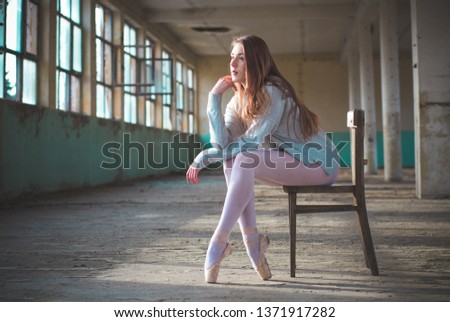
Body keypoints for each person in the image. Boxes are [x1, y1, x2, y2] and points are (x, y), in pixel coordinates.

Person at [186, 35, 340, 283]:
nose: (233, 63)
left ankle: (219, 241)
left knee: (245, 156)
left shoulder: (273, 91)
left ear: (256, 61)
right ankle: (252, 242)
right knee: (231, 159)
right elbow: (223, 145)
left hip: (319, 164)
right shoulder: (236, 102)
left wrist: (203, 157)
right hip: (288, 162)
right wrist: (213, 98)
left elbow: (251, 141)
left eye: (241, 57)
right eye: (231, 57)